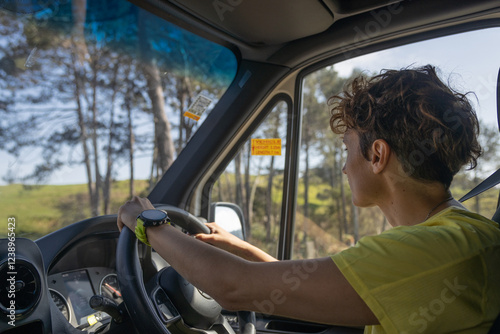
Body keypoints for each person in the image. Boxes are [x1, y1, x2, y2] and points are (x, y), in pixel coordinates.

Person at [118, 65, 500, 333]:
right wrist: (243, 249)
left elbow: (231, 286)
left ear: (378, 155)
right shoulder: (450, 240)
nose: (346, 167)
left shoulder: (430, 253)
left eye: (347, 149)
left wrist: (149, 222)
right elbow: (335, 288)